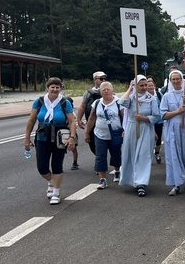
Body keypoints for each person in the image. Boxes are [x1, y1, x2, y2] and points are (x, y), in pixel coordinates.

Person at [24, 77, 77, 205]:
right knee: (42, 167)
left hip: (59, 137)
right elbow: (31, 120)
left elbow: (72, 121)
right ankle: (51, 181)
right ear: (47, 88)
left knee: (57, 165)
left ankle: (56, 193)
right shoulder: (40, 102)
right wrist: (27, 138)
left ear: (60, 89)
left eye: (57, 87)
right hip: (42, 137)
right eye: (52, 87)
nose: (55, 89)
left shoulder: (64, 102)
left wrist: (72, 137)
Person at [118, 75, 161, 197]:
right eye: (141, 85)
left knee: (143, 155)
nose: (143, 88)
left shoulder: (151, 99)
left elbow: (157, 116)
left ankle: (141, 183)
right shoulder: (132, 98)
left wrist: (144, 118)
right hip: (132, 128)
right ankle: (132, 179)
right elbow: (122, 103)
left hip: (146, 129)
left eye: (145, 85)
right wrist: (129, 89)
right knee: (131, 154)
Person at [161, 69, 185, 195]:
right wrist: (177, 111)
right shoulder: (166, 96)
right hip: (172, 128)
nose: (176, 81)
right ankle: (176, 184)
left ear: (182, 80)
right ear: (170, 81)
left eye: (178, 79)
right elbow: (163, 115)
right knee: (174, 156)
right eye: (174, 79)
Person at [84, 81, 124, 189]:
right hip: (99, 134)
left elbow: (125, 118)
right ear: (100, 92)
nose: (106, 91)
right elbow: (91, 118)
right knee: (100, 156)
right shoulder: (97, 103)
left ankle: (117, 171)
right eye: (103, 90)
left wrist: (125, 130)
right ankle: (102, 179)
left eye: (108, 89)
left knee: (116, 154)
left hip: (115, 134)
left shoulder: (119, 103)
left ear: (112, 90)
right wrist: (87, 133)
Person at [77, 71, 107, 156]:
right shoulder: (89, 93)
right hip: (92, 122)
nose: (103, 80)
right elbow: (83, 106)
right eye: (101, 78)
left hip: (104, 123)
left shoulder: (109, 90)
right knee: (92, 143)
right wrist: (79, 119)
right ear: (95, 79)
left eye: (105, 78)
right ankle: (99, 157)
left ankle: (101, 160)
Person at [146, 76, 164, 163]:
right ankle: (148, 155)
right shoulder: (144, 96)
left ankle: (157, 153)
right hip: (148, 120)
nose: (150, 87)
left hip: (159, 120)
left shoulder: (159, 95)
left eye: (151, 85)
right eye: (148, 85)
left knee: (158, 138)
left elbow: (163, 105)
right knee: (149, 137)